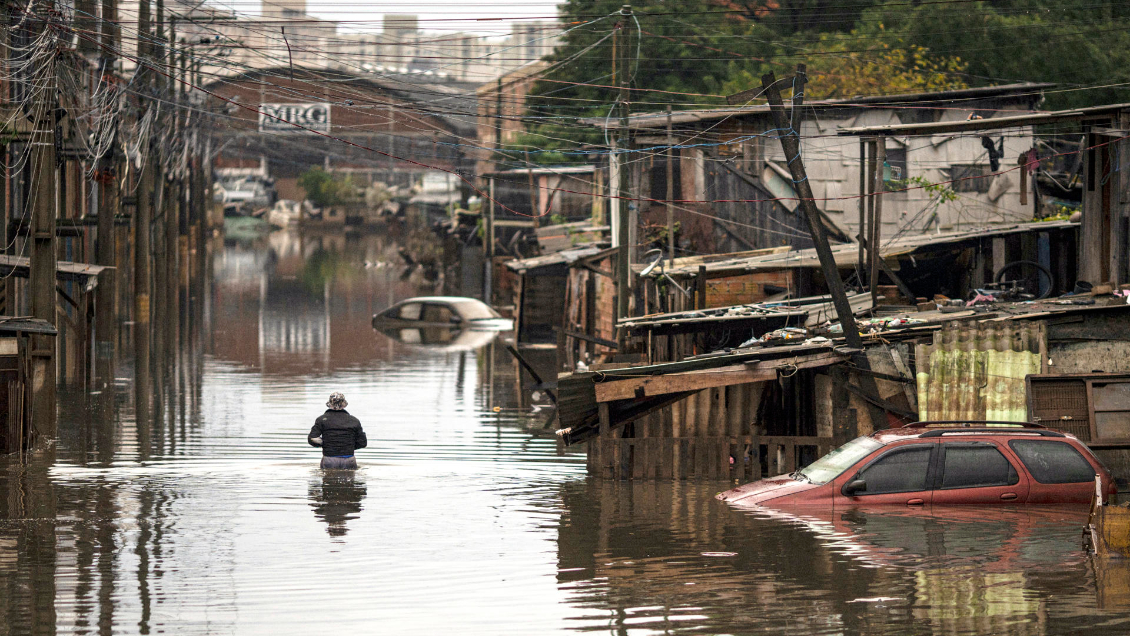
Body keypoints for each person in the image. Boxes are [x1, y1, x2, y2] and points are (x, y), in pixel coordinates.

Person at [308, 392, 367, 469]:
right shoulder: (354, 420)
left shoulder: (322, 420)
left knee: (328, 476)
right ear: (344, 404)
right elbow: (363, 442)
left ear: (329, 404)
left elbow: (312, 439)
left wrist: (327, 445)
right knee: (350, 476)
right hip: (349, 459)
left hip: (329, 459)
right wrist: (348, 446)